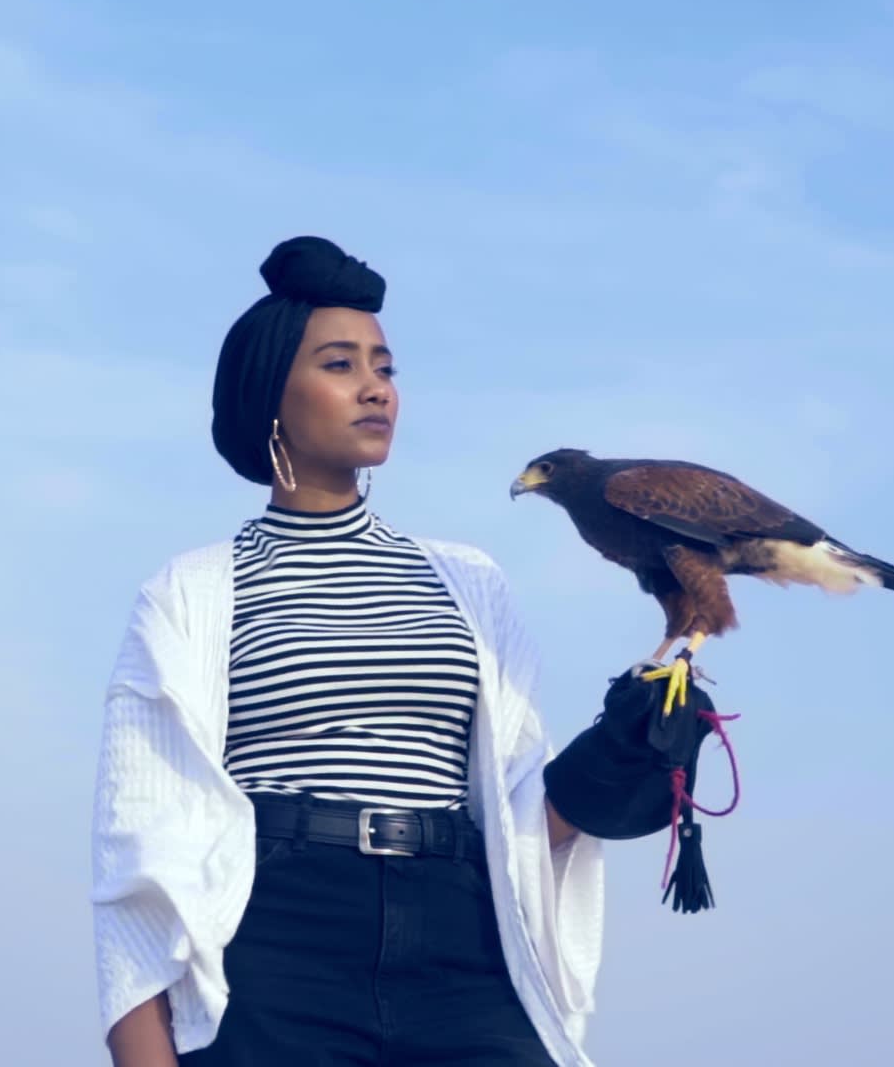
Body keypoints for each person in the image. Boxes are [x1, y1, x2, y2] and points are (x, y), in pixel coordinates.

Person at [89, 236, 613, 1066]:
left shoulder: (469, 582)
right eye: (340, 364)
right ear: (270, 394)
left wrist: (615, 769)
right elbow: (141, 848)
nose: (376, 388)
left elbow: (515, 821)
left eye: (385, 368)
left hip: (464, 943)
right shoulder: (190, 592)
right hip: (278, 939)